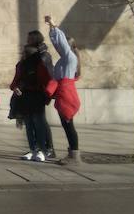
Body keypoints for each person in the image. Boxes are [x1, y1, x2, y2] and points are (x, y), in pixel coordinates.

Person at [10, 31, 54, 163]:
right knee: (29, 124)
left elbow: (49, 78)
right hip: (25, 95)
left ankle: (44, 149)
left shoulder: (43, 58)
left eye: (30, 39)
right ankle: (33, 148)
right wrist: (15, 87)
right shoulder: (23, 63)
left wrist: (47, 93)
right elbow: (16, 79)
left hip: (37, 94)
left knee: (39, 123)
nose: (27, 41)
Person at [45, 16, 82, 165]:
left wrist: (53, 26)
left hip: (67, 96)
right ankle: (72, 153)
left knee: (69, 125)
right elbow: (58, 44)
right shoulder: (63, 60)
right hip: (63, 94)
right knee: (67, 126)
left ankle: (75, 155)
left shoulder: (70, 57)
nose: (59, 47)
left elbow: (61, 44)